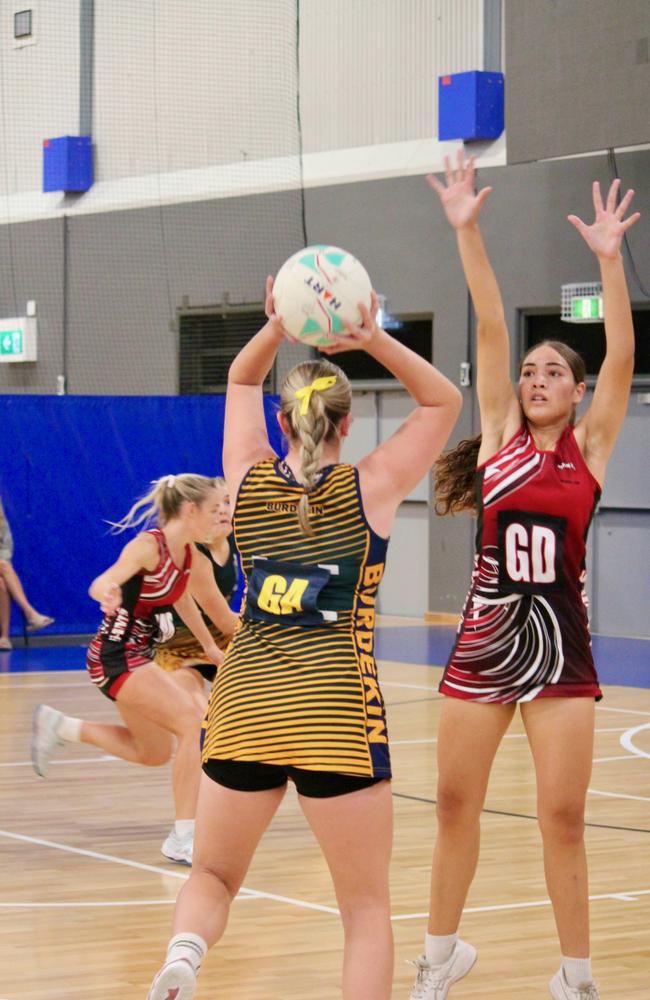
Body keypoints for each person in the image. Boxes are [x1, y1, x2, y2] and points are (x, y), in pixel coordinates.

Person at [146, 278, 463, 1000]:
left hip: (247, 704)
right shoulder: (371, 486)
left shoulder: (247, 480)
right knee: (365, 909)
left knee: (214, 875)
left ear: (283, 424)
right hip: (335, 716)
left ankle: (186, 956)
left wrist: (278, 324)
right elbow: (444, 400)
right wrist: (372, 334)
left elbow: (239, 376)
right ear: (346, 426)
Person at [408, 154, 639, 1000]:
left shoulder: (593, 451)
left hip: (562, 655)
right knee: (452, 806)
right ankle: (438, 960)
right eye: (532, 371)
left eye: (554, 373)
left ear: (577, 397)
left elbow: (621, 352)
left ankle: (576, 978)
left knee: (564, 817)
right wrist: (466, 228)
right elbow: (491, 325)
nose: (537, 377)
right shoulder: (500, 436)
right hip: (484, 641)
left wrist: (611, 260)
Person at [31, 474, 236, 865]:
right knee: (195, 725)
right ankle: (183, 835)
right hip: (115, 656)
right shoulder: (148, 547)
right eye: (214, 509)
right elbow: (104, 580)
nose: (221, 516)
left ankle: (61, 727)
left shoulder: (192, 557)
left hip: (140, 656)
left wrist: (210, 646)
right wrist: (106, 592)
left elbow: (206, 609)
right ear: (190, 510)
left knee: (153, 752)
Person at [155, 477, 239, 709]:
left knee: (263, 681)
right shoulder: (191, 555)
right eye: (215, 507)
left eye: (228, 502)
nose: (223, 511)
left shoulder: (236, 536)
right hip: (174, 641)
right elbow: (226, 622)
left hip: (214, 635)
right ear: (195, 513)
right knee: (194, 706)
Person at [0, 494, 55, 649]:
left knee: (2, 584)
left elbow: (6, 550)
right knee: (4, 567)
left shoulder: (2, 523)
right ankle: (30, 613)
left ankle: (4, 638)